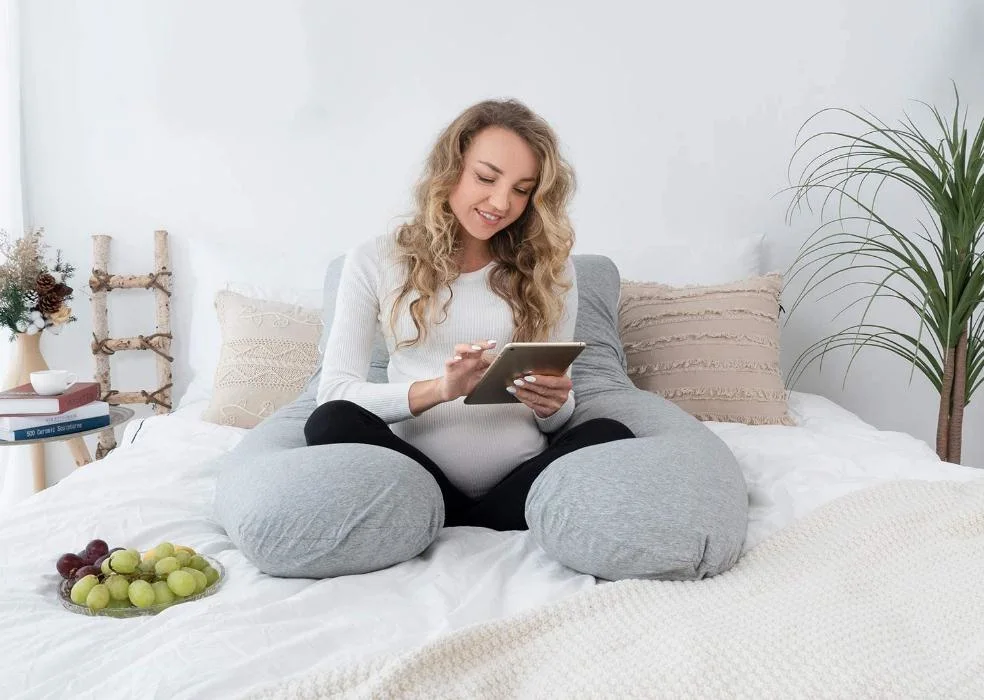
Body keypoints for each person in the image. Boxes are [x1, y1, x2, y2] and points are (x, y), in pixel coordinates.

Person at [304, 99, 635, 531]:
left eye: (521, 189)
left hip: (521, 480)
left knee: (610, 434)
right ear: (451, 167)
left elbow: (558, 414)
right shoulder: (375, 259)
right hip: (417, 477)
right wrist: (442, 388)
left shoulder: (549, 269)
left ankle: (457, 524)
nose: (501, 202)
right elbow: (335, 392)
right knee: (330, 421)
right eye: (486, 177)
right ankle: (477, 521)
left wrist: (553, 403)